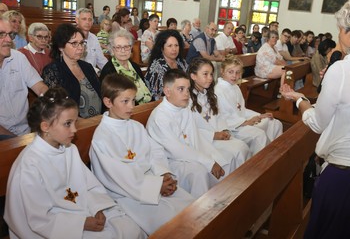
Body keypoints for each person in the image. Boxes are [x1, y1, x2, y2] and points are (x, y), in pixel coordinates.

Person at [4, 87, 146, 239]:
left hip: (81, 211)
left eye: (75, 122)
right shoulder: (29, 166)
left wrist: (98, 208)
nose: (74, 130)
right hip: (55, 228)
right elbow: (38, 219)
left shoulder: (69, 149)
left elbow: (89, 186)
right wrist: (81, 223)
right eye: (67, 124)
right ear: (45, 127)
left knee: (130, 229)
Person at [90, 74, 194, 235]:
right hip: (128, 194)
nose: (131, 106)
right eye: (125, 101)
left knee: (191, 206)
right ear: (108, 102)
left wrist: (163, 173)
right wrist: (156, 186)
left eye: (133, 100)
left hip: (152, 182)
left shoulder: (136, 126)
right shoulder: (102, 138)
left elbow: (154, 152)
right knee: (170, 221)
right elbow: (118, 177)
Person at [280, 1, 350, 238]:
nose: (339, 35)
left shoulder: (341, 71)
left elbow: (319, 123)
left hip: (343, 176)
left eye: (341, 29)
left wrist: (299, 101)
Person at [146, 69, 238, 198]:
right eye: (181, 89)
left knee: (226, 159)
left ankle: (224, 201)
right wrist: (208, 162)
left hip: (190, 154)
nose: (186, 94)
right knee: (199, 172)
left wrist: (209, 157)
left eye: (188, 89)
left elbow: (194, 137)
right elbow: (175, 150)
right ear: (167, 91)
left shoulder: (184, 107)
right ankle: (202, 212)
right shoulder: (160, 117)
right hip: (172, 162)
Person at [188, 57, 251, 165]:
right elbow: (190, 128)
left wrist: (224, 129)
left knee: (242, 148)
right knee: (239, 150)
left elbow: (219, 116)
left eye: (211, 74)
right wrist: (213, 135)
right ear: (193, 76)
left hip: (218, 134)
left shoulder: (209, 94)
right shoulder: (187, 100)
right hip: (203, 141)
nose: (210, 78)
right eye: (205, 74)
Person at [215, 56, 283, 154]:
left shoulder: (234, 86)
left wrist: (259, 115)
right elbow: (224, 117)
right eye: (230, 72)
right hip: (232, 128)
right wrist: (246, 122)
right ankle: (261, 163)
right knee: (259, 135)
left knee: (274, 123)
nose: (234, 75)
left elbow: (242, 109)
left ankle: (276, 153)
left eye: (238, 72)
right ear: (222, 71)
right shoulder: (219, 91)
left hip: (241, 121)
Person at [0, 17, 48, 140]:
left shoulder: (18, 58)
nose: (8, 40)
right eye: (1, 34)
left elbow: (40, 87)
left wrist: (57, 106)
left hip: (26, 131)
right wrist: (15, 141)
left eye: (11, 34)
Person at [42, 23, 102, 118]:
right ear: (61, 47)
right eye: (74, 43)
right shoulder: (52, 71)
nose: (80, 47)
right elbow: (56, 107)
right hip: (74, 124)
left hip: (98, 121)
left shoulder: (87, 67)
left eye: (82, 43)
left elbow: (100, 94)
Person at [100, 29, 152, 105]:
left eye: (126, 46)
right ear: (112, 49)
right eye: (118, 47)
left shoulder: (135, 66)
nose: (123, 50)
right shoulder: (108, 71)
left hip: (145, 107)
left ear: (131, 48)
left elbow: (146, 89)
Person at [144, 30, 187, 100]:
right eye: (170, 46)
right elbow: (155, 96)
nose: (174, 49)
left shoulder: (182, 63)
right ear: (162, 48)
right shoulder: (156, 67)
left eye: (176, 45)